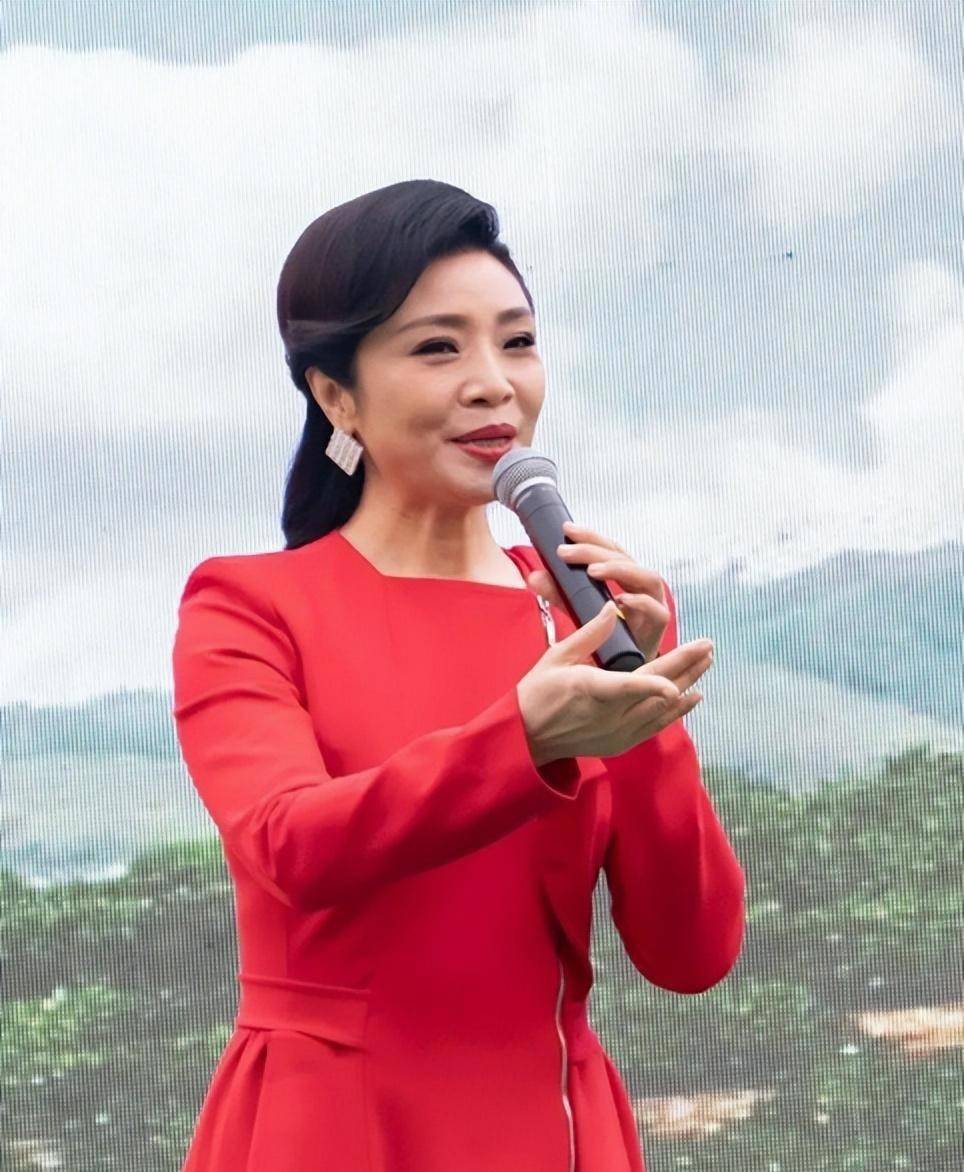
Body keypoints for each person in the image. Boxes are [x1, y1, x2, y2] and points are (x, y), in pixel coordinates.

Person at [171, 179, 745, 1172]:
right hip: (335, 1130)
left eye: (517, 342)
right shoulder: (250, 604)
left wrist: (644, 706)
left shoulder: (581, 612)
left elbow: (691, 952)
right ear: (335, 395)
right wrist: (523, 739)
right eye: (438, 347)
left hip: (561, 1130)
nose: (493, 383)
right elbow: (290, 844)